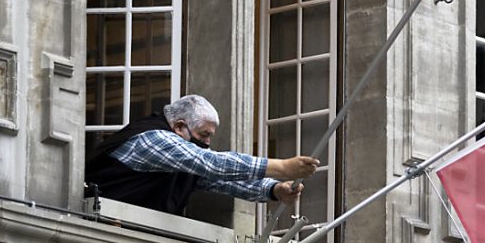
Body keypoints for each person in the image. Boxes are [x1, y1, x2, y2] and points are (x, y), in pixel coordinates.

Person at [85, 94, 319, 215]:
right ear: (178, 127)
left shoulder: (182, 160)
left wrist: (273, 190)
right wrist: (282, 167)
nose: (206, 143)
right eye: (203, 134)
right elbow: (211, 164)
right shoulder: (152, 139)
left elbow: (220, 182)